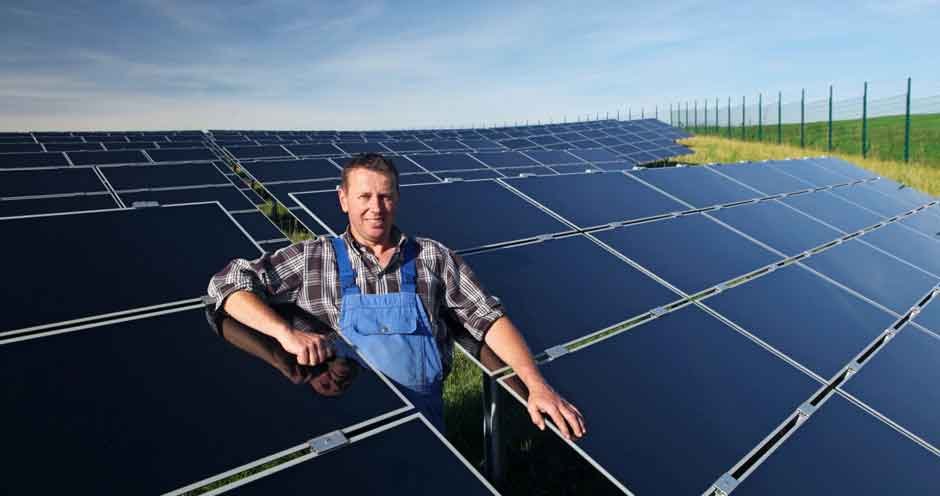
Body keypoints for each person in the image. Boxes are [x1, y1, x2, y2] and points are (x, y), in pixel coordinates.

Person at [207, 153, 585, 439]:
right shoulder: (314, 258)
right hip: (357, 421)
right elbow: (227, 284)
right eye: (364, 196)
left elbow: (488, 319)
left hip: (428, 420)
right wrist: (285, 334)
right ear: (343, 199)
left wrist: (537, 386)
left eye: (385, 197)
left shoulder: (432, 257)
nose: (376, 208)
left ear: (398, 199)